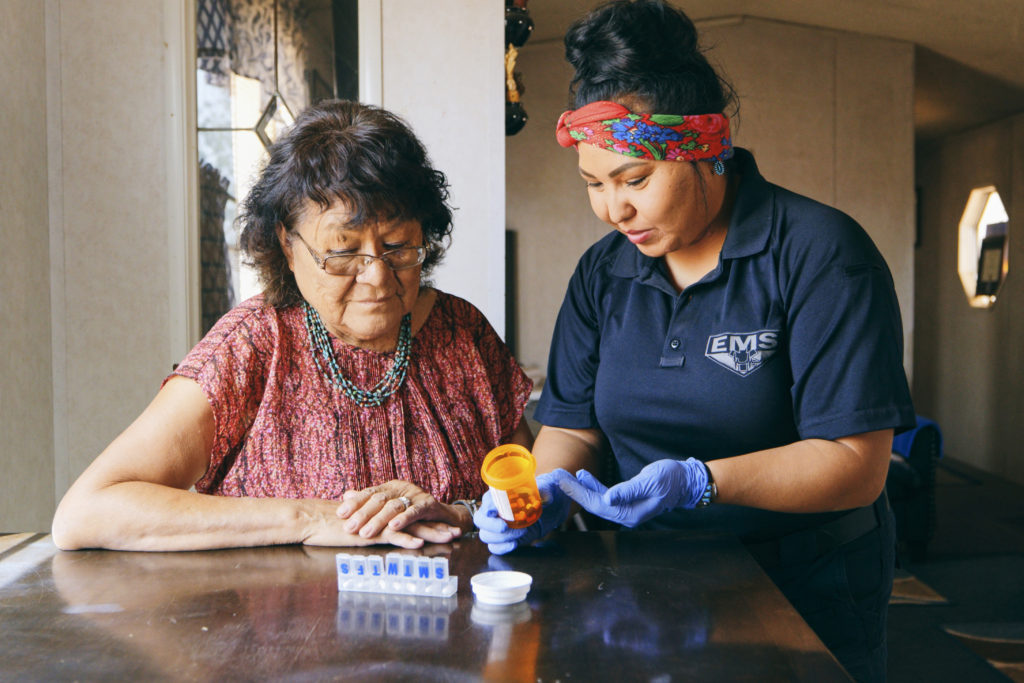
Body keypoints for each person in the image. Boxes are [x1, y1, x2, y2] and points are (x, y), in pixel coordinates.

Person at [474, 2, 914, 680]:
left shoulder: (821, 254)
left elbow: (857, 464)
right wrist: (543, 490)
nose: (613, 209)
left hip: (802, 587)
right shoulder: (603, 271)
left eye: (635, 180)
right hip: (645, 583)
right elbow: (572, 423)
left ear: (708, 153)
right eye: (594, 183)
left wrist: (700, 482)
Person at [52, 100, 532, 552]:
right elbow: (86, 512)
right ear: (287, 243)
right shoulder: (252, 346)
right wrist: (311, 519)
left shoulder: (462, 332)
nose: (378, 276)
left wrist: (460, 515)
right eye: (343, 252)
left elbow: (529, 496)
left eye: (399, 245)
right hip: (283, 634)